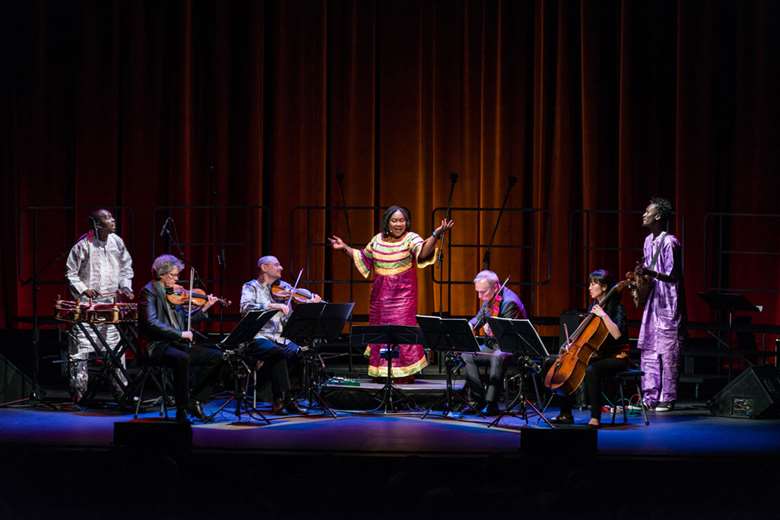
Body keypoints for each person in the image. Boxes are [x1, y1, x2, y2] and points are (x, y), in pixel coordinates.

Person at [329, 206, 454, 381]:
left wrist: (436, 234)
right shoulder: (377, 240)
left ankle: (402, 376)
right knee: (380, 334)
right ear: (387, 222)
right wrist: (344, 248)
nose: (398, 224)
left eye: (402, 220)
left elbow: (424, 252)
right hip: (380, 300)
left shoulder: (411, 238)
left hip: (403, 298)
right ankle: (382, 374)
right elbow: (363, 257)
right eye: (394, 220)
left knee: (400, 333)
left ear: (407, 222)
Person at [138, 255, 225, 423]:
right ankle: (181, 409)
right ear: (161, 274)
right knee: (182, 359)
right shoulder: (149, 291)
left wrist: (205, 307)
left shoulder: (174, 292)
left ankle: (195, 399)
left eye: (177, 275)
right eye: (173, 275)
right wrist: (180, 334)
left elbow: (185, 319)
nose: (177, 279)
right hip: (156, 345)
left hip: (176, 343)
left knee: (218, 356)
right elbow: (151, 322)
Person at [65, 209, 134, 404]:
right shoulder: (83, 245)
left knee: (116, 350)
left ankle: (122, 393)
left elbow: (126, 268)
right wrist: (84, 289)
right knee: (80, 350)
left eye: (112, 217)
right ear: (97, 224)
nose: (113, 220)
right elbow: (71, 273)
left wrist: (126, 287)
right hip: (87, 307)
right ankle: (79, 393)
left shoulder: (117, 242)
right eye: (108, 218)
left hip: (109, 307)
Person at [544, 269, 629, 427]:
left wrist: (603, 315)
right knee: (554, 362)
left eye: (593, 283)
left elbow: (617, 335)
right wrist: (573, 343)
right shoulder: (593, 305)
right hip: (598, 354)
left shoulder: (617, 308)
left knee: (592, 369)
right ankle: (565, 414)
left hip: (616, 357)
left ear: (604, 287)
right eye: (590, 283)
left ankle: (595, 417)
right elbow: (588, 335)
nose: (589, 287)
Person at [240, 255, 321, 414]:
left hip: (280, 337)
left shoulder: (283, 289)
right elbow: (245, 307)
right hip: (257, 337)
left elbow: (289, 319)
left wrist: (309, 305)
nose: (281, 268)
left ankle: (289, 398)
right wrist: (272, 305)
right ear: (264, 268)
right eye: (276, 265)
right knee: (278, 353)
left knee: (301, 353)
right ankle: (280, 399)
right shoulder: (251, 287)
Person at [636, 197, 686, 412]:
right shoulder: (648, 241)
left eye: (648, 211)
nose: (644, 215)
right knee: (649, 349)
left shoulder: (670, 242)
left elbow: (673, 275)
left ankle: (667, 397)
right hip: (653, 303)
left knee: (668, 352)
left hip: (668, 303)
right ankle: (650, 395)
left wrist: (651, 273)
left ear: (657, 216)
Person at [461, 270, 528, 416]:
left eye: (482, 292)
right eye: (478, 292)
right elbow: (479, 317)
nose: (480, 297)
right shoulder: (489, 298)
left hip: (511, 349)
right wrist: (471, 325)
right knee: (467, 354)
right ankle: (478, 400)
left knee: (498, 356)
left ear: (496, 287)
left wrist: (493, 331)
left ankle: (491, 403)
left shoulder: (510, 302)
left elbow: (507, 337)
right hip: (493, 347)